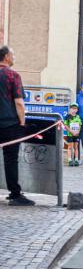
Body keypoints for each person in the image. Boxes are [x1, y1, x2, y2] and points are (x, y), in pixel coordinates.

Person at [0, 46, 34, 205]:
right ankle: (15, 194)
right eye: (13, 55)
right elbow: (19, 102)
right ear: (6, 56)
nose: (14, 58)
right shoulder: (12, 75)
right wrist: (22, 123)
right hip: (9, 124)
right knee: (10, 159)